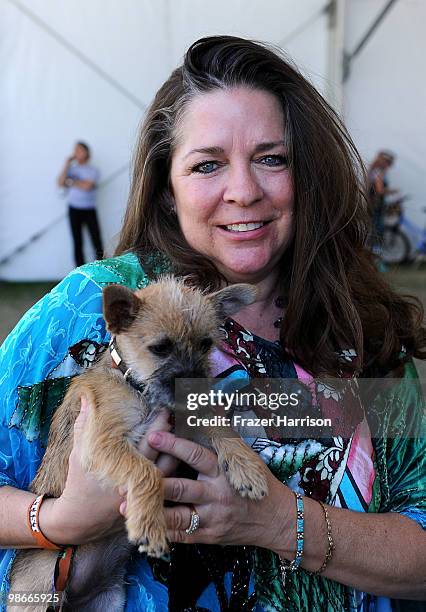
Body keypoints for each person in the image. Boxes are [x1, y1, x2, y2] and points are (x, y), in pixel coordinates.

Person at [1, 35, 425, 611]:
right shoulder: (85, 309)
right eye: (207, 164)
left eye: (272, 158)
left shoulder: (359, 334)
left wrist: (278, 521)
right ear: (168, 189)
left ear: (310, 176)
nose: (244, 191)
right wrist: (58, 519)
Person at [57, 141, 104, 266]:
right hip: (74, 209)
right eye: (75, 150)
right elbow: (60, 182)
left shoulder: (93, 170)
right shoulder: (71, 169)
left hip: (89, 209)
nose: (76, 153)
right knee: (77, 242)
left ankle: (101, 267)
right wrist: (67, 164)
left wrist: (71, 182)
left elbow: (87, 186)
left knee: (96, 241)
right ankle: (79, 270)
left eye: (79, 150)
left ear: (86, 152)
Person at [367, 150, 399, 249]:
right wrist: (391, 191)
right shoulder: (379, 172)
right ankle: (375, 249)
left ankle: (372, 249)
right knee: (378, 227)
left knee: (374, 226)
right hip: (376, 203)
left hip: (372, 202)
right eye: (389, 163)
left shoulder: (373, 170)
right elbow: (380, 190)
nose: (389, 166)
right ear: (385, 162)